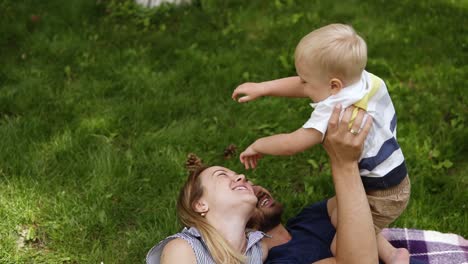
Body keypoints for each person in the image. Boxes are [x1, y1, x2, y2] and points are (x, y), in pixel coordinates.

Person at [232, 23, 410, 263]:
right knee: (339, 217)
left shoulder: (335, 110)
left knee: (340, 246)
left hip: (382, 192)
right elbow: (305, 85)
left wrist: (258, 145)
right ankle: (394, 253)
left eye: (305, 81)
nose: (302, 85)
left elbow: (291, 143)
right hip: (393, 173)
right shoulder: (366, 81)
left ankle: (393, 257)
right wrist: (264, 88)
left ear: (334, 86)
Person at [146, 106, 379, 264]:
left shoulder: (258, 249)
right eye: (221, 175)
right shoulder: (184, 249)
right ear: (200, 204)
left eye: (237, 174)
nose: (240, 177)